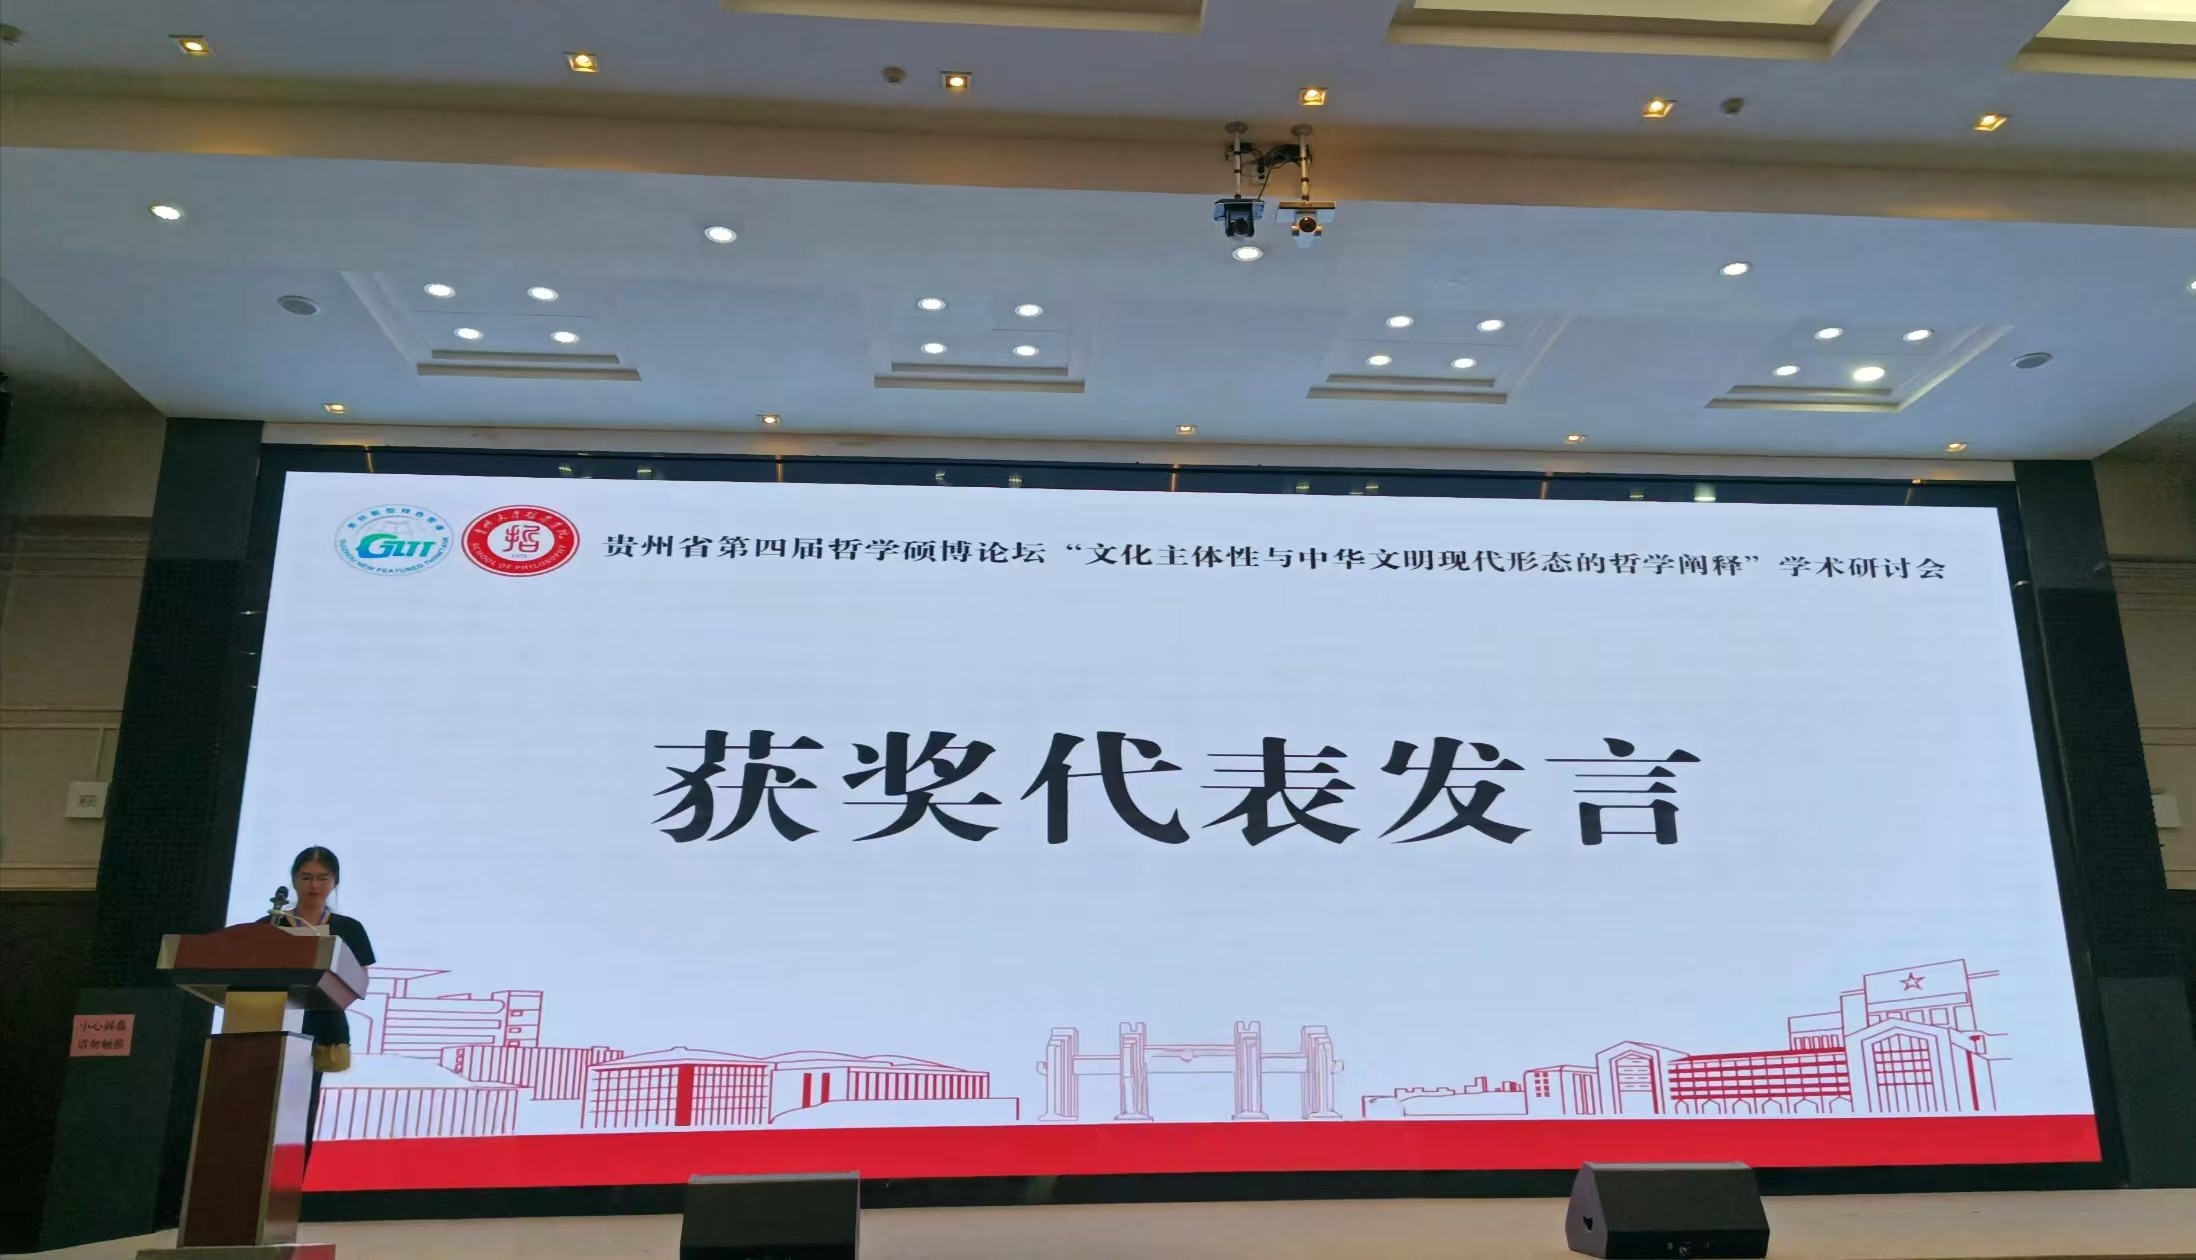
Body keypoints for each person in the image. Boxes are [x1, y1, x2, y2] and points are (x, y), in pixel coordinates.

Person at [271, 845, 375, 1162]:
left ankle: (291, 1179)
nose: (314, 885)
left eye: (322, 878)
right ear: (294, 880)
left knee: (302, 1111)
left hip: (322, 1028)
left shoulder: (348, 928)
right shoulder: (272, 925)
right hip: (272, 1024)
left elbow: (361, 981)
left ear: (334, 882)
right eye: (306, 877)